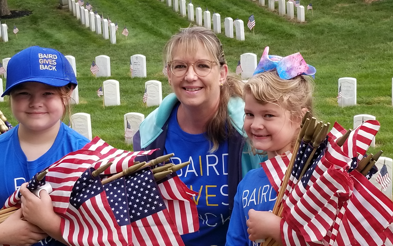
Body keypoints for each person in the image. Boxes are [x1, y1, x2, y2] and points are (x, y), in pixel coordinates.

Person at [133, 26, 266, 246]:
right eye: (180, 66)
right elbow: (143, 217)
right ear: (168, 74)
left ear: (222, 74)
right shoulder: (150, 135)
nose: (190, 76)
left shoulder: (250, 131)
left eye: (202, 66)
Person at [225, 46, 316, 246]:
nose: (256, 124)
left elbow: (328, 237)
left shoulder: (314, 177)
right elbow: (236, 241)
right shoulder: (247, 183)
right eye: (250, 114)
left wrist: (277, 229)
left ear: (299, 118)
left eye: (268, 115)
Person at [0, 46, 90, 246]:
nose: (35, 103)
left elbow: (102, 233)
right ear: (10, 97)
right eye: (24, 93)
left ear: (68, 93)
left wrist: (50, 224)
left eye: (48, 93)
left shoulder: (88, 157)